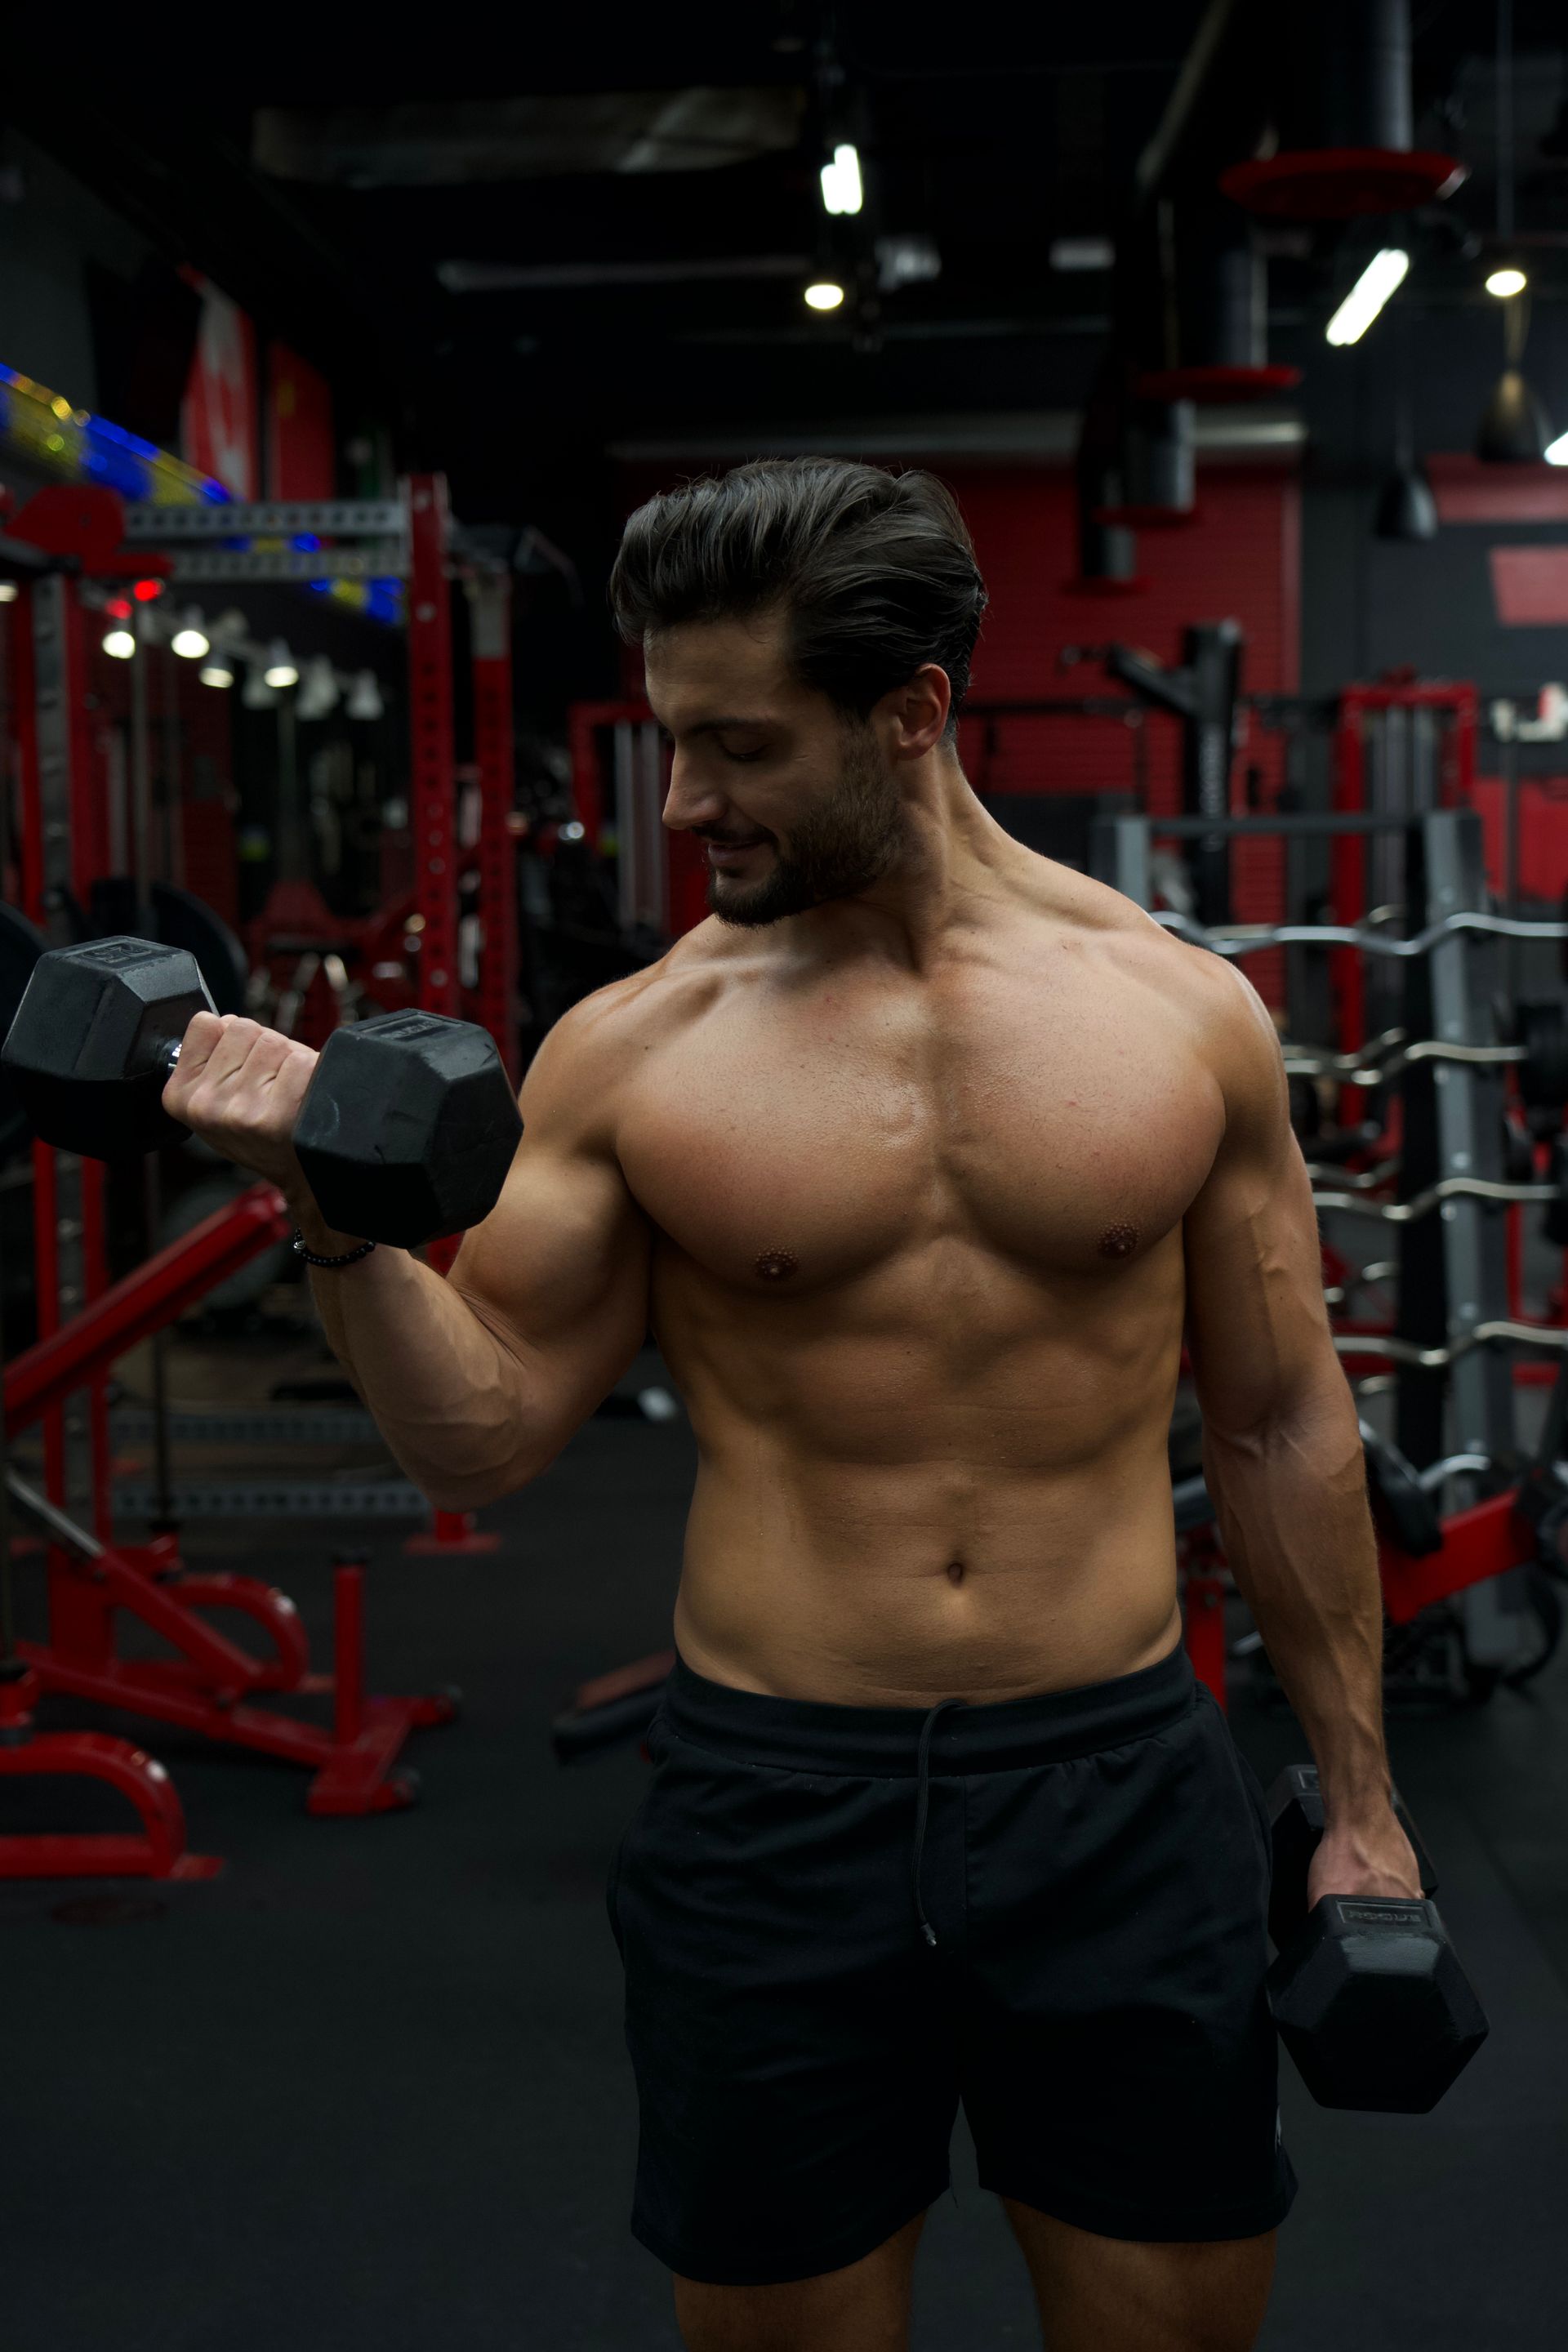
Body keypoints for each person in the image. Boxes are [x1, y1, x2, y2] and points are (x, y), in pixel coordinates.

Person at [164, 457, 1421, 2352]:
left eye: (736, 747)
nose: (684, 804)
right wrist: (337, 1232)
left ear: (910, 713)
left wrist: (1367, 1811)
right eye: (676, 740)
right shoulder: (633, 1050)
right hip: (778, 1806)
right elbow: (481, 1434)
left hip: (1112, 1786)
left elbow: (1280, 1423)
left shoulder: (1181, 1016)